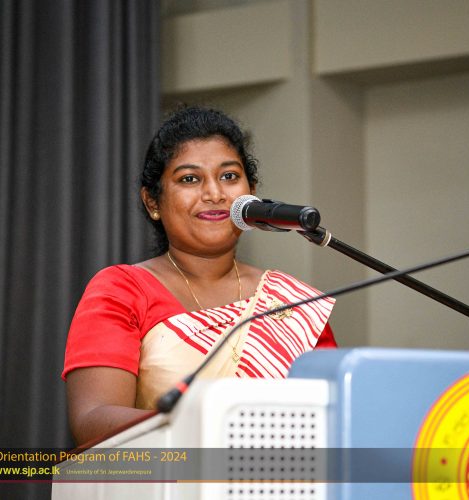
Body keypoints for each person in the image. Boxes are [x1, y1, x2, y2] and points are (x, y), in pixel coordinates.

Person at [62, 106, 337, 445]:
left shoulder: (295, 303)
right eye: (189, 179)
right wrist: (215, 425)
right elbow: (92, 420)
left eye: (229, 176)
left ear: (251, 192)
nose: (215, 194)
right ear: (152, 202)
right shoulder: (122, 290)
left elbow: (336, 420)